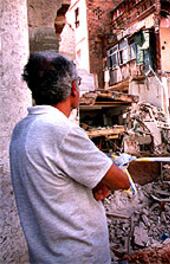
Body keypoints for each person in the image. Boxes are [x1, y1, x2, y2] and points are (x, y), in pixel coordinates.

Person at [9, 51, 130, 264]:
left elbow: (55, 183)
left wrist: (99, 180)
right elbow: (121, 181)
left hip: (45, 255)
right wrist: (107, 179)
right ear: (74, 88)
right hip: (80, 255)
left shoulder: (21, 129)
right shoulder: (61, 131)